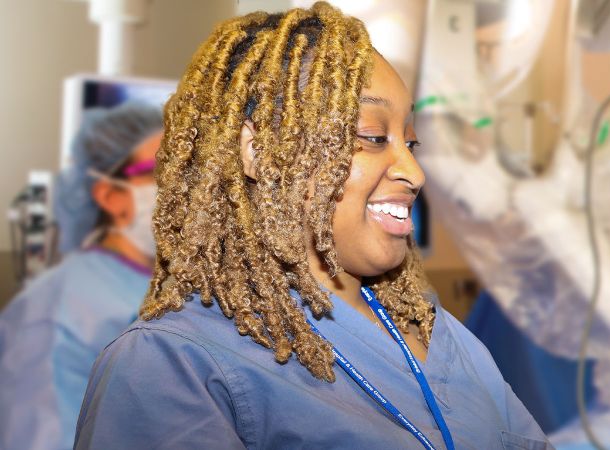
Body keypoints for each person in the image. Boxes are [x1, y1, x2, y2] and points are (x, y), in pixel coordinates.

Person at [75, 3, 550, 449]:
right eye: (372, 136)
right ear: (259, 153)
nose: (415, 172)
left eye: (411, 141)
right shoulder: (170, 366)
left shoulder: (438, 334)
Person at [0, 101, 162, 450]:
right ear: (110, 195)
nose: (184, 186)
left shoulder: (181, 286)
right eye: (162, 171)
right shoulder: (52, 315)